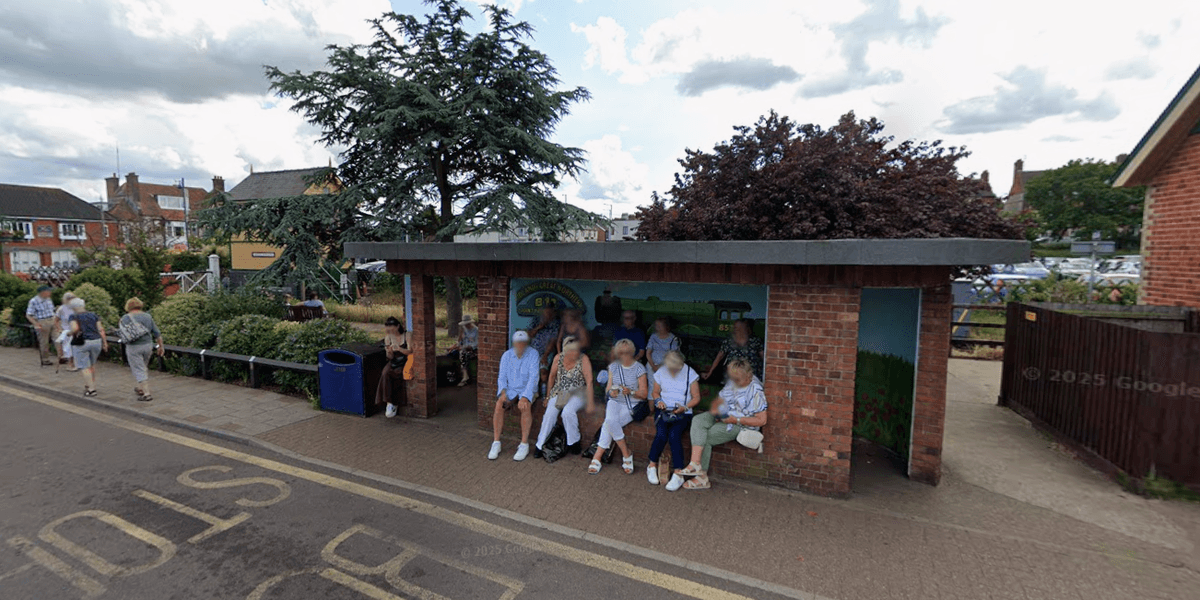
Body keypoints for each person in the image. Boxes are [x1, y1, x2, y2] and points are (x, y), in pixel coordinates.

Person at [672, 359, 767, 491]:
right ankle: (695, 463)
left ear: (748, 376)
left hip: (740, 423)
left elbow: (762, 420)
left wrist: (736, 420)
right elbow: (719, 400)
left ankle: (702, 478)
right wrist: (717, 412)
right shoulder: (734, 381)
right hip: (725, 416)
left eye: (737, 380)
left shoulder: (756, 391)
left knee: (707, 436)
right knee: (699, 420)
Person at [589, 339, 648, 475]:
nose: (624, 355)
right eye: (621, 353)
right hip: (615, 402)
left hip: (631, 404)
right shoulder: (613, 367)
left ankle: (597, 456)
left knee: (609, 423)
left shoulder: (639, 368)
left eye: (627, 352)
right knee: (610, 421)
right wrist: (611, 392)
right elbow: (608, 389)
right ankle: (626, 454)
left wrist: (631, 392)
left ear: (632, 352)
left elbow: (644, 393)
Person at [647, 350, 700, 489]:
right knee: (661, 434)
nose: (672, 372)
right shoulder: (661, 372)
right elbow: (655, 392)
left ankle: (678, 473)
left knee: (674, 436)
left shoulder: (690, 373)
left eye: (675, 369)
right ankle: (652, 465)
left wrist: (685, 406)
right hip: (664, 410)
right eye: (670, 368)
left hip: (683, 411)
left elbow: (696, 397)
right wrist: (658, 401)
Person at [535, 336, 594, 459]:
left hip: (578, 392)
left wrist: (590, 402)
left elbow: (589, 381)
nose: (574, 353)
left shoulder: (583, 359)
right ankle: (540, 445)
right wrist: (547, 397)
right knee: (550, 413)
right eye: (571, 351)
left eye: (576, 350)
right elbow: (551, 377)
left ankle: (574, 442)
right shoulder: (558, 358)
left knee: (567, 412)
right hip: (561, 392)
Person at [490, 331, 540, 461]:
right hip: (511, 389)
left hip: (527, 389)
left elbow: (533, 378)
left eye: (523, 343)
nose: (520, 345)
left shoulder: (533, 354)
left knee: (525, 406)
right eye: (518, 343)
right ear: (514, 343)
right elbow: (502, 377)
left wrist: (525, 397)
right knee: (499, 405)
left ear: (526, 343)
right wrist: (502, 393)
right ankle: (496, 442)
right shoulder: (506, 355)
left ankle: (524, 444)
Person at [119, 297, 164, 401]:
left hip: (133, 347)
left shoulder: (125, 318)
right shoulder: (147, 316)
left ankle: (147, 393)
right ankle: (140, 388)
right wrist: (161, 346)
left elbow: (123, 334)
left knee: (139, 368)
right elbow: (157, 332)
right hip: (147, 345)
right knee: (143, 367)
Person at [67, 298, 108, 397]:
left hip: (82, 342)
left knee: (84, 366)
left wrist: (69, 333)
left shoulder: (73, 316)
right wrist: (105, 343)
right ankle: (91, 384)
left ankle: (91, 389)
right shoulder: (93, 315)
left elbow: (75, 328)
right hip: (96, 341)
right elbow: (100, 329)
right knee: (92, 365)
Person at [375, 316, 412, 418]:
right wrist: (389, 352)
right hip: (394, 361)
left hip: (404, 359)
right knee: (385, 373)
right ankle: (388, 401)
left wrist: (399, 349)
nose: (391, 332)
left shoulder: (407, 335)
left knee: (398, 374)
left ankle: (395, 401)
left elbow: (410, 351)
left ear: (397, 326)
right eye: (389, 330)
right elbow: (389, 357)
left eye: (392, 329)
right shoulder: (388, 337)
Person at [528, 304, 560, 394]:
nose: (547, 315)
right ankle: (533, 394)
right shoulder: (536, 320)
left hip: (546, 353)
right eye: (546, 313)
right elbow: (530, 334)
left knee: (544, 374)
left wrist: (545, 356)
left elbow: (553, 341)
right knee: (533, 374)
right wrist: (539, 327)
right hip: (533, 352)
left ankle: (544, 396)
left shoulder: (555, 323)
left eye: (549, 313)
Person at [644, 316, 679, 390]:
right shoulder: (653, 337)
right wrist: (653, 366)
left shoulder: (672, 338)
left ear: (666, 326)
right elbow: (648, 352)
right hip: (652, 364)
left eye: (660, 326)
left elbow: (673, 355)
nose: (658, 328)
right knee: (652, 387)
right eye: (657, 326)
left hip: (666, 365)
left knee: (664, 387)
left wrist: (661, 366)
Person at [25, 286, 56, 366]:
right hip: (42, 321)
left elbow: (52, 310)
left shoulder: (48, 299)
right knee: (44, 342)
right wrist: (35, 323)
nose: (50, 293)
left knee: (58, 339)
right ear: (43, 292)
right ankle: (45, 360)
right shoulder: (34, 301)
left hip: (52, 320)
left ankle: (62, 357)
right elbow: (29, 315)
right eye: (49, 291)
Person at [450, 315, 479, 386]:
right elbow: (461, 341)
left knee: (463, 354)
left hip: (473, 350)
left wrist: (464, 348)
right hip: (463, 348)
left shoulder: (476, 330)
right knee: (452, 353)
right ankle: (454, 375)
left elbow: (475, 344)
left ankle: (465, 377)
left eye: (467, 324)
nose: (466, 326)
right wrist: (456, 345)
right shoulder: (463, 329)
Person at [53, 292, 78, 370]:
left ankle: (73, 363)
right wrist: (59, 328)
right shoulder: (62, 309)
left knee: (75, 348)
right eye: (69, 298)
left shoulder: (76, 307)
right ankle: (70, 364)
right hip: (67, 331)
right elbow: (56, 320)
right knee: (69, 348)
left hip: (76, 330)